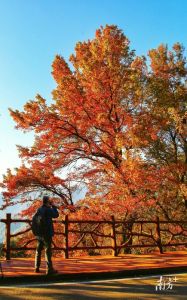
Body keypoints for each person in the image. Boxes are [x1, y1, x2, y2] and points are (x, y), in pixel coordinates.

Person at [34, 195, 59, 275]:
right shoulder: (48, 209)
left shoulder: (39, 209)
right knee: (48, 251)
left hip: (39, 233)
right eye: (50, 201)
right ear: (48, 201)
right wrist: (54, 206)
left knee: (38, 250)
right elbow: (56, 215)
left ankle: (36, 267)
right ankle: (49, 269)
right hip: (47, 233)